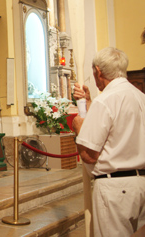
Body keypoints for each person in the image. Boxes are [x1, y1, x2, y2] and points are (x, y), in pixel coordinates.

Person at [71, 47, 145, 237]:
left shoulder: (105, 101)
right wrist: (88, 102)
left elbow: (89, 155)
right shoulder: (140, 97)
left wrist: (80, 129)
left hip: (115, 190)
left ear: (98, 71)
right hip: (141, 183)